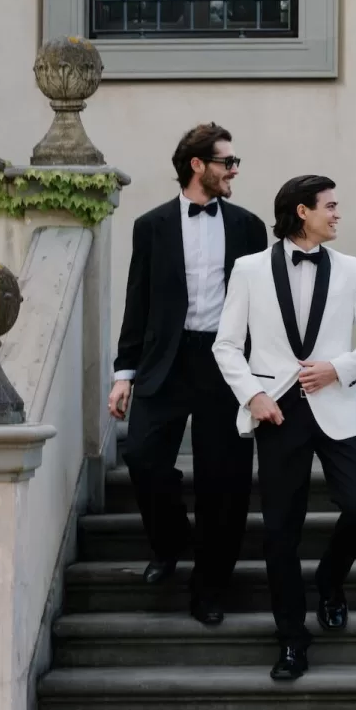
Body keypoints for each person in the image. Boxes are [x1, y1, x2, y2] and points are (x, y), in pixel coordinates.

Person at [213, 174, 356, 681]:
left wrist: (338, 367)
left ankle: (331, 580)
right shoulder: (249, 269)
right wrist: (252, 395)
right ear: (302, 211)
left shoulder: (351, 269)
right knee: (279, 533)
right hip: (276, 410)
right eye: (329, 206)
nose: (337, 214)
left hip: (337, 406)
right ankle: (292, 639)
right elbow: (226, 344)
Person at [107, 123, 267, 627]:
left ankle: (210, 588)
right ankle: (172, 541)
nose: (234, 170)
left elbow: (262, 308)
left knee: (225, 479)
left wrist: (261, 378)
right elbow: (138, 301)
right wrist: (124, 373)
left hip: (226, 363)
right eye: (227, 162)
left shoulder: (249, 226)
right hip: (167, 362)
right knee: (143, 457)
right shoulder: (151, 226)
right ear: (198, 165)